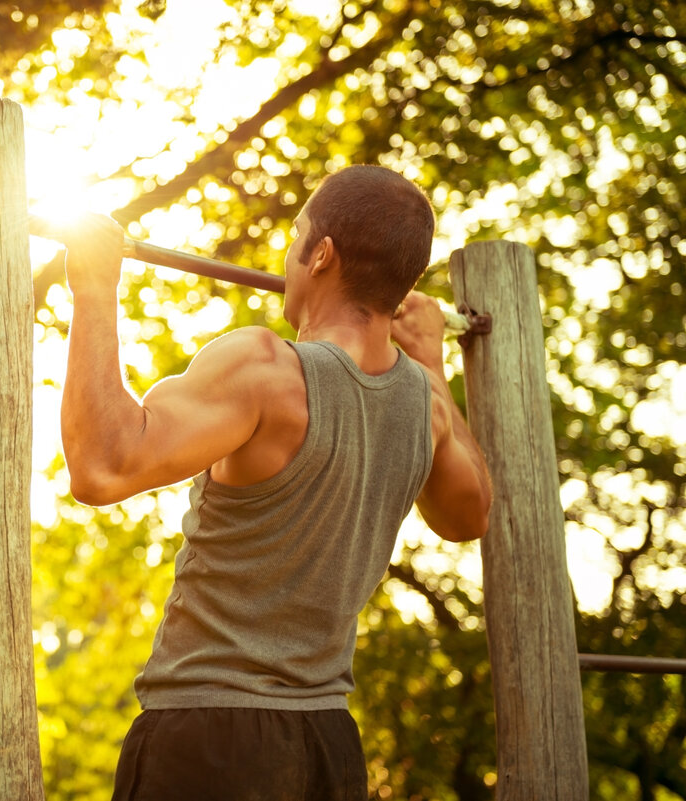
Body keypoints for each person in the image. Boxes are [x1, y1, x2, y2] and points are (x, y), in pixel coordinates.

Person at [55, 164, 493, 801]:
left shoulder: (266, 369)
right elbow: (469, 515)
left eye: (295, 240)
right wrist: (431, 361)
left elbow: (101, 466)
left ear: (321, 254)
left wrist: (94, 289)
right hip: (330, 749)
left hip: (211, 743)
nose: (288, 260)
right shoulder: (424, 402)